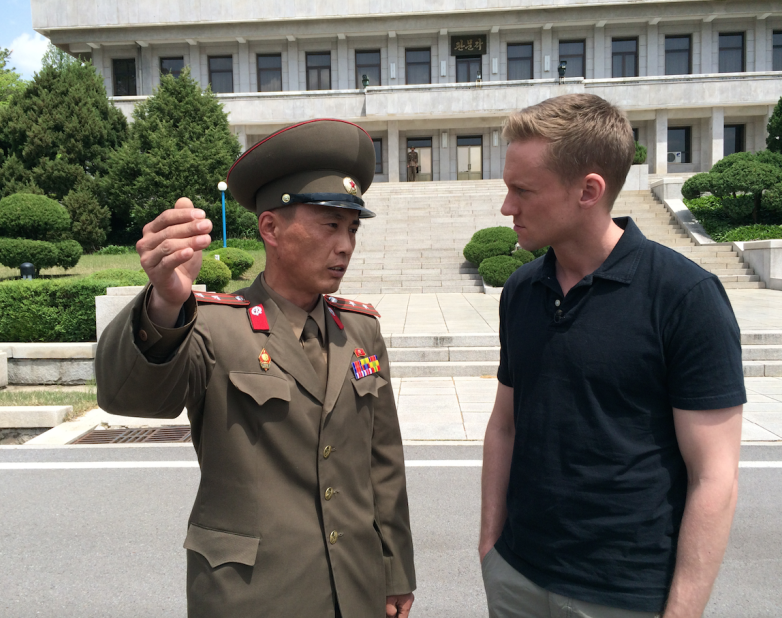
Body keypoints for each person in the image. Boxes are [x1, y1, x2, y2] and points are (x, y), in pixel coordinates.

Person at [95, 119, 416, 618]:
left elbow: (383, 462)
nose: (346, 245)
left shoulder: (360, 330)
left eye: (351, 228)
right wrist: (163, 302)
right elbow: (130, 397)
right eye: (330, 225)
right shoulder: (214, 325)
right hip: (251, 595)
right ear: (271, 228)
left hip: (355, 588)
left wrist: (395, 572)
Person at [479, 94, 745, 618]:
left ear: (589, 190)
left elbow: (714, 474)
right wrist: (490, 544)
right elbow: (504, 424)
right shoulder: (521, 290)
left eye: (522, 190)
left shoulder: (685, 297)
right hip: (516, 576)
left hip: (623, 596)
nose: (506, 206)